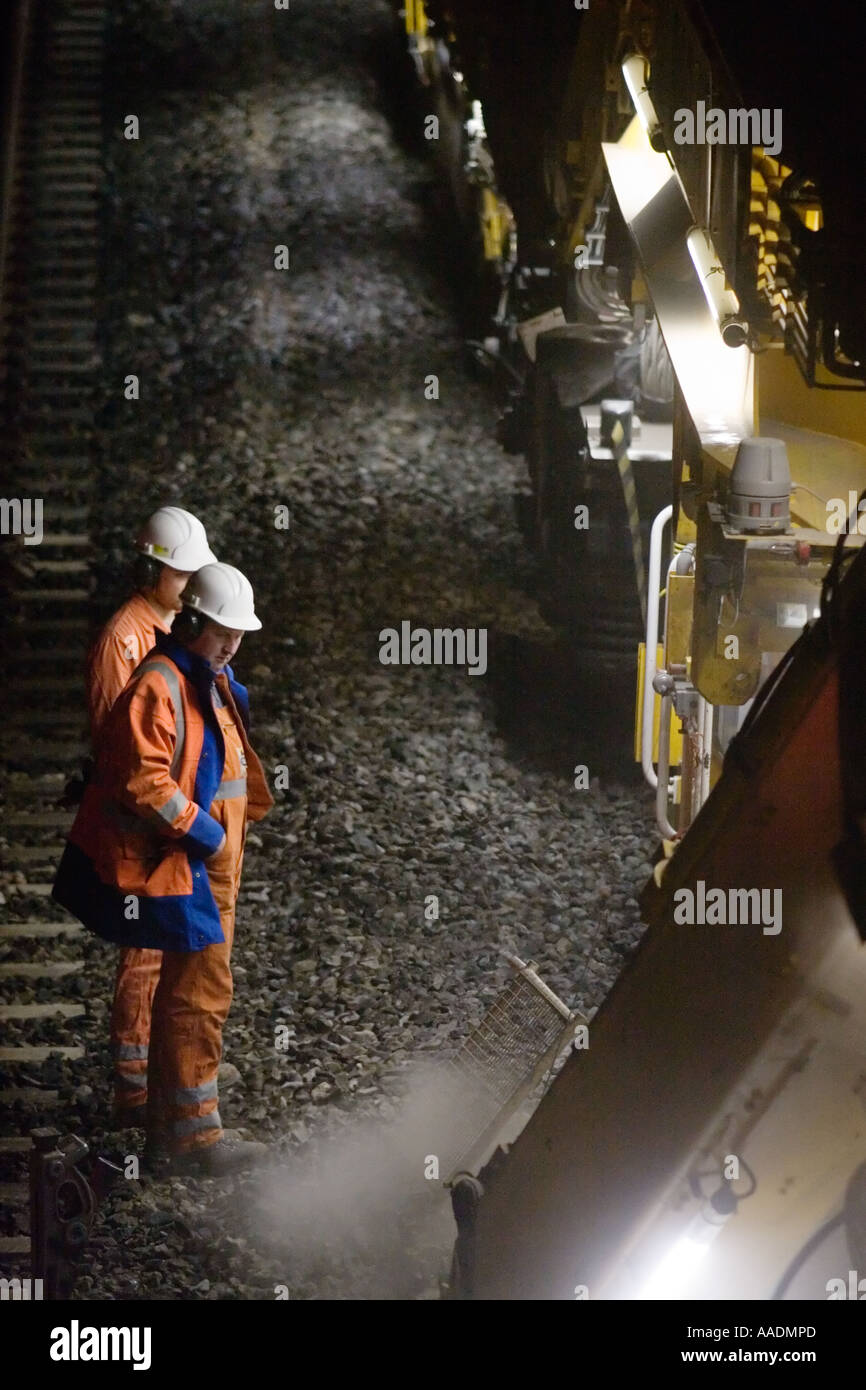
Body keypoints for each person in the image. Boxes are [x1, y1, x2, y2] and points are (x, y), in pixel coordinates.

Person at [54, 563, 274, 1175]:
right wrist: (205, 834)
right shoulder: (163, 681)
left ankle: (171, 1129)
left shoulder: (205, 675)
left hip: (212, 860)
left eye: (239, 635)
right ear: (194, 621)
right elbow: (144, 781)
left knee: (197, 988)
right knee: (196, 992)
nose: (232, 645)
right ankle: (190, 1139)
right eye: (222, 632)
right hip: (192, 859)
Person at [84, 506, 219, 1130]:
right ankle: (133, 1090)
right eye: (184, 574)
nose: (193, 585)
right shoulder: (126, 637)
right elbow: (123, 751)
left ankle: (160, 1072)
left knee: (169, 950)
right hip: (143, 828)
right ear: (154, 570)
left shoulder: (167, 626)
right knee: (144, 952)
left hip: (170, 824)